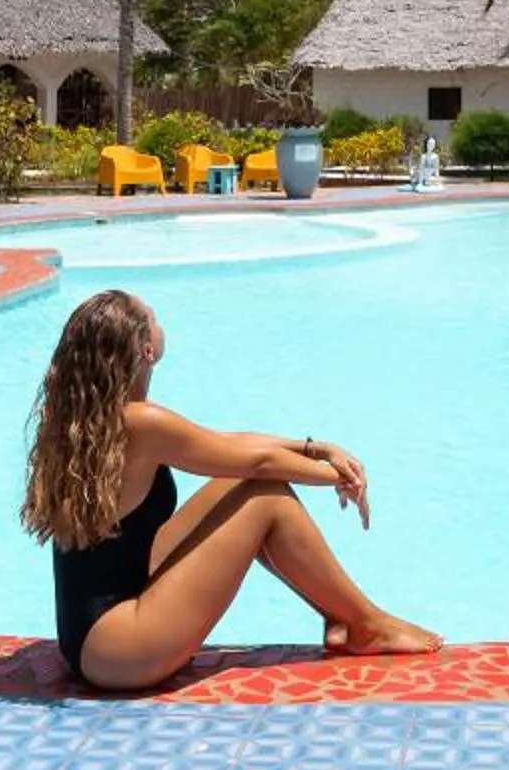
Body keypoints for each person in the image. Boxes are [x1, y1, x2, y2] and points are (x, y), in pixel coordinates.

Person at [23, 286, 441, 691]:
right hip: (122, 649)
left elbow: (228, 446)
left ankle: (345, 618)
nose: (159, 321)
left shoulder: (85, 417)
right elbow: (256, 461)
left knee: (241, 484)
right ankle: (365, 624)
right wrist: (339, 477)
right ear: (147, 349)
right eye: (153, 317)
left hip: (91, 638)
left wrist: (316, 449)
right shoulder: (140, 422)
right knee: (265, 499)